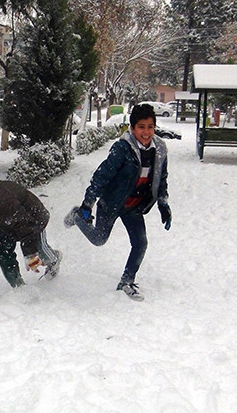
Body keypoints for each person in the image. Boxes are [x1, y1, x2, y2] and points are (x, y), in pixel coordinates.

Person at [63, 103, 171, 301]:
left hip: (135, 205)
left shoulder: (160, 149)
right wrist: (88, 203)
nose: (146, 132)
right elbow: (101, 176)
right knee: (98, 239)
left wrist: (163, 203)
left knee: (140, 243)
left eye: (150, 127)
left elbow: (161, 177)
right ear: (132, 128)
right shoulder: (122, 148)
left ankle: (126, 281)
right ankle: (77, 216)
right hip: (112, 202)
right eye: (141, 127)